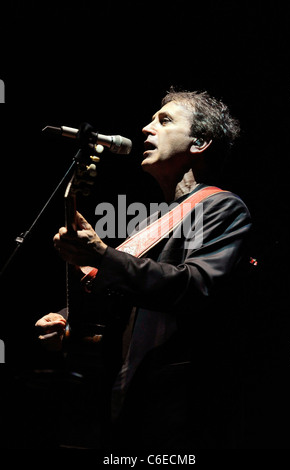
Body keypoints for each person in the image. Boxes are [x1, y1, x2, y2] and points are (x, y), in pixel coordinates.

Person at [36, 89, 252, 450]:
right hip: (129, 395)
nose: (146, 128)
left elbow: (196, 285)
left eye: (164, 120)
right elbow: (122, 295)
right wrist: (65, 320)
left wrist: (104, 256)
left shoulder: (224, 207)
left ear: (200, 142)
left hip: (180, 400)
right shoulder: (152, 223)